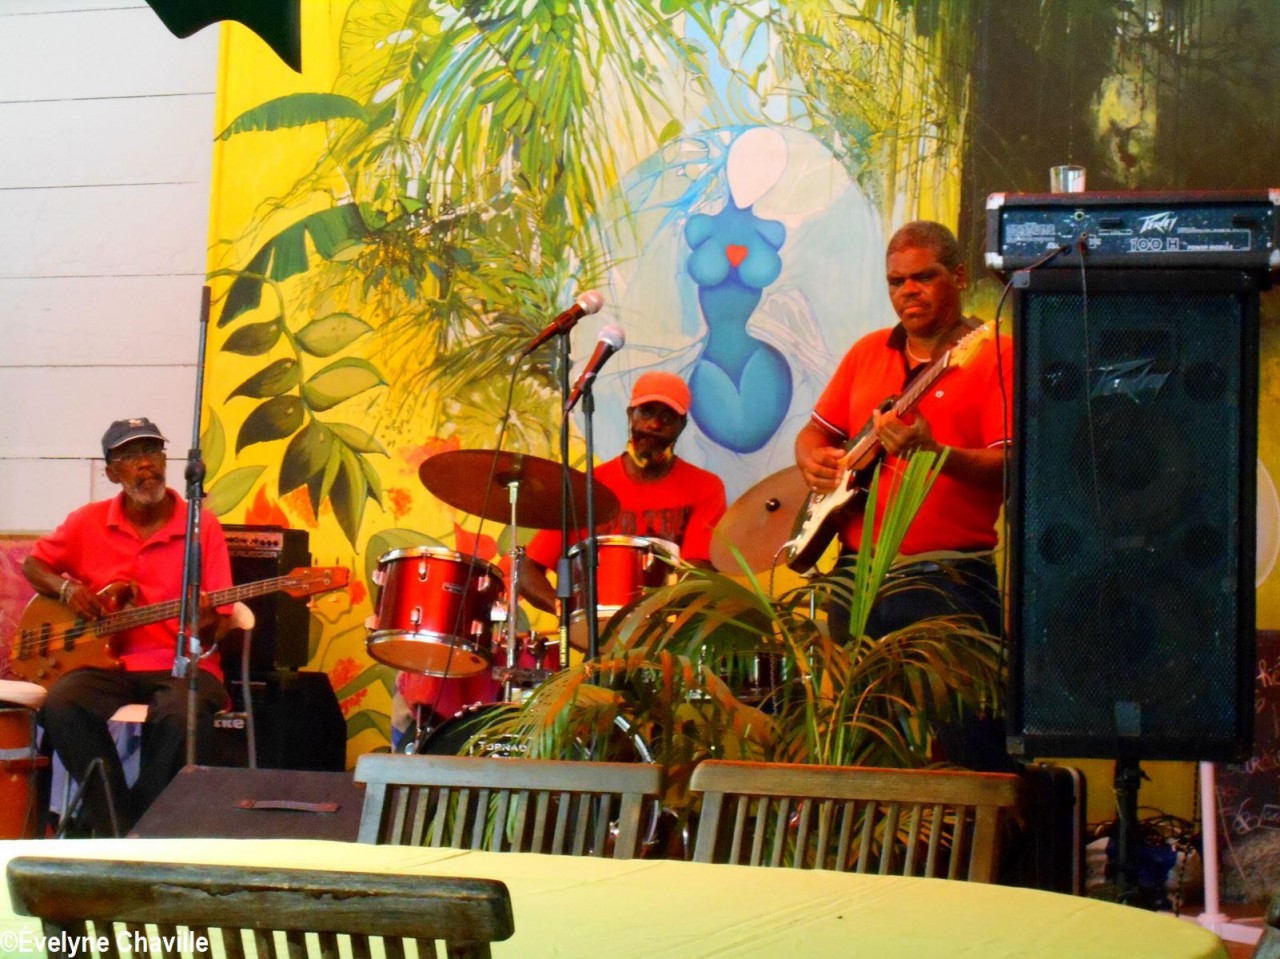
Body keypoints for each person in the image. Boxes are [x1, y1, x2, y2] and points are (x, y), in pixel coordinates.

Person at [794, 220, 1012, 769]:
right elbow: (816, 432)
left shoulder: (994, 353)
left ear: (958, 276)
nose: (908, 291)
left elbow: (1013, 467)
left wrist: (934, 453)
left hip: (949, 580)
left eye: (923, 277)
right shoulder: (867, 352)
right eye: (896, 282)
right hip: (856, 576)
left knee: (971, 748)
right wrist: (812, 459)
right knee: (860, 749)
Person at [23, 417, 233, 834]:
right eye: (130, 456)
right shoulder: (87, 521)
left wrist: (206, 624)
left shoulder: (200, 526)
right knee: (61, 703)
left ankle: (137, 825)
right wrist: (66, 589)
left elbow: (221, 624)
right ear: (111, 473)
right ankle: (114, 822)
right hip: (107, 664)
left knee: (182, 713)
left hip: (181, 666)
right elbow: (34, 565)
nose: (145, 463)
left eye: (152, 451)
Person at [517, 370, 728, 615]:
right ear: (630, 415)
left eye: (667, 417)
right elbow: (527, 570)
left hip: (667, 629)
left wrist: (655, 619)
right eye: (646, 412)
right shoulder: (586, 486)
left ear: (681, 426)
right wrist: (567, 613)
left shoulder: (705, 487)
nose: (654, 424)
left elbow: (697, 571)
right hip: (597, 630)